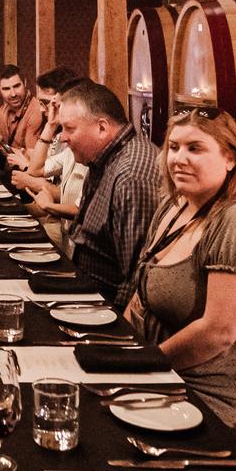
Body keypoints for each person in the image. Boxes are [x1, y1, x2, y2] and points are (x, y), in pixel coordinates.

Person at [123, 108, 236, 471]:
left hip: (227, 398)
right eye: (173, 147)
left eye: (195, 148)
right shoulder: (175, 207)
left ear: (230, 158)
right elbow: (141, 295)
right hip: (169, 375)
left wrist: (139, 367)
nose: (179, 158)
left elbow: (217, 333)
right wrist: (117, 352)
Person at [57, 79, 162, 305]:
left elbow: (136, 276)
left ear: (102, 127)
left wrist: (116, 324)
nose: (62, 138)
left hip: (104, 307)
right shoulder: (103, 158)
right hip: (84, 289)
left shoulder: (132, 176)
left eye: (69, 128)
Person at [11, 69, 88, 251]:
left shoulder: (82, 143)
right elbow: (36, 169)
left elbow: (78, 205)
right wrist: (51, 125)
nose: (42, 109)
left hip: (71, 235)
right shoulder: (61, 135)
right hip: (62, 227)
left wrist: (44, 199)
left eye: (48, 103)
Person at [0, 63, 43, 153]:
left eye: (16, 86)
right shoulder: (1, 112)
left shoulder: (36, 110)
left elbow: (32, 156)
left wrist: (0, 147)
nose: (13, 94)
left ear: (25, 83)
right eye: (6, 89)